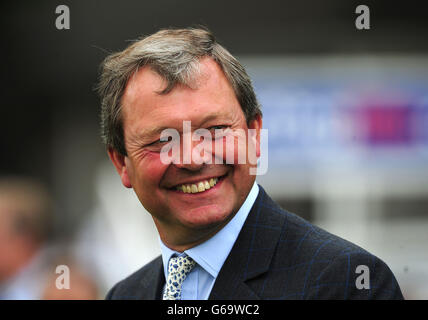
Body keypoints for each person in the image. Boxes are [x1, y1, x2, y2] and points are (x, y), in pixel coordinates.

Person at [97, 27, 403, 300]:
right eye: (162, 140)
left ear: (254, 135)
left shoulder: (348, 284)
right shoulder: (124, 294)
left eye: (214, 130)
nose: (193, 157)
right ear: (121, 163)